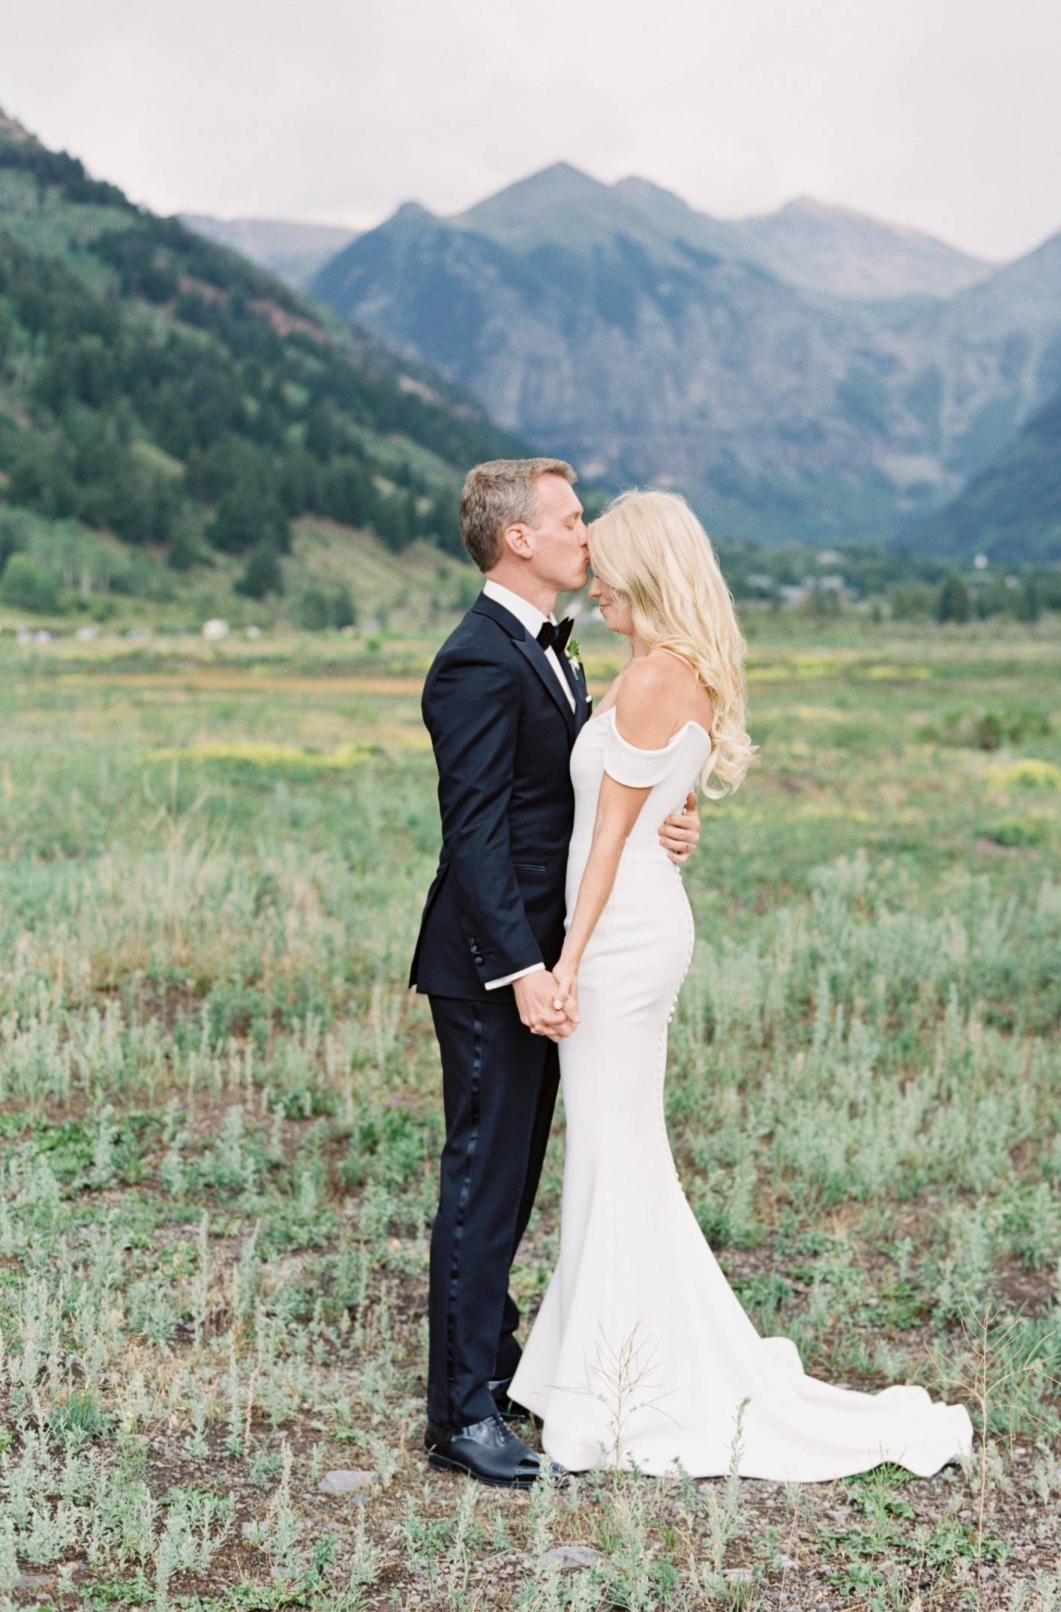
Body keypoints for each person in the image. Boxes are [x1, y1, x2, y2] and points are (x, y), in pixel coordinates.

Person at [508, 489, 974, 1481]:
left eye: (607, 567)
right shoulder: (672, 674)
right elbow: (648, 810)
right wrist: (678, 829)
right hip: (639, 916)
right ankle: (612, 1364)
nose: (594, 583)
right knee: (619, 1146)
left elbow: (607, 848)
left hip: (623, 934)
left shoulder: (651, 681)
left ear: (646, 571)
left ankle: (628, 1381)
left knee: (614, 1146)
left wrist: (568, 961)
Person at [409, 459, 701, 1489]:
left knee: (512, 1174)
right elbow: (477, 835)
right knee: (483, 1175)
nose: (588, 535)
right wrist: (527, 968)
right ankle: (458, 1416)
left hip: (551, 957)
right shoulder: (477, 660)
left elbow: (582, 793)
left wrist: (674, 808)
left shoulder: (545, 651)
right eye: (572, 521)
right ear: (518, 539)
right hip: (500, 963)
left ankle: (491, 1358)